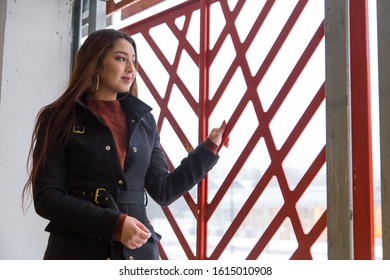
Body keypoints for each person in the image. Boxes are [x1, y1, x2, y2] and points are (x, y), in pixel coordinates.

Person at [22, 28, 228, 260]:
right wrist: (115, 225)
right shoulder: (58, 117)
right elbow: (47, 198)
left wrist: (208, 149)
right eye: (121, 59)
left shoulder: (144, 120)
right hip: (76, 252)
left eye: (134, 61)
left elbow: (163, 190)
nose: (131, 69)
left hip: (138, 254)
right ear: (95, 63)